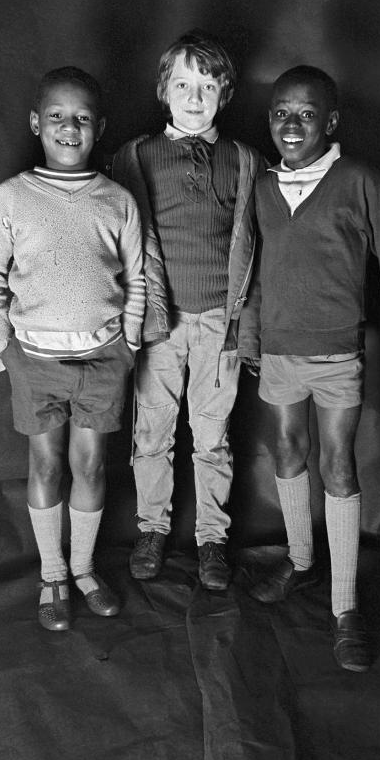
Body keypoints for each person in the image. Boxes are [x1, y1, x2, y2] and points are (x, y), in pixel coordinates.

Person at [240, 65, 380, 670]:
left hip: (337, 352)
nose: (291, 124)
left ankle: (345, 606)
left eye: (306, 113)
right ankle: (300, 560)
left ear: (332, 121)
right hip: (277, 348)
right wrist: (248, 334)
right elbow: (251, 268)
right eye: (280, 113)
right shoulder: (262, 187)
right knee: (289, 452)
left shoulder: (358, 181)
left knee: (337, 461)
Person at [0, 66, 144, 631]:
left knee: (90, 464)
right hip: (35, 360)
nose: (68, 128)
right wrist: (3, 345)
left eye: (82, 119)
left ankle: (83, 567)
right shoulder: (11, 198)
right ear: (35, 124)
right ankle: (52, 574)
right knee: (45, 463)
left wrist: (131, 343)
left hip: (102, 358)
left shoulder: (116, 200)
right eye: (56, 117)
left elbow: (139, 279)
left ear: (99, 129)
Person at [112, 30, 262, 591]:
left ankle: (212, 539)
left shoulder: (245, 160)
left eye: (206, 85)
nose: (193, 97)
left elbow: (258, 245)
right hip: (159, 321)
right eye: (182, 84)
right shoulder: (136, 156)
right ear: (163, 90)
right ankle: (152, 528)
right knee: (151, 430)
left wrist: (245, 323)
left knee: (212, 434)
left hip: (218, 324)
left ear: (224, 92)